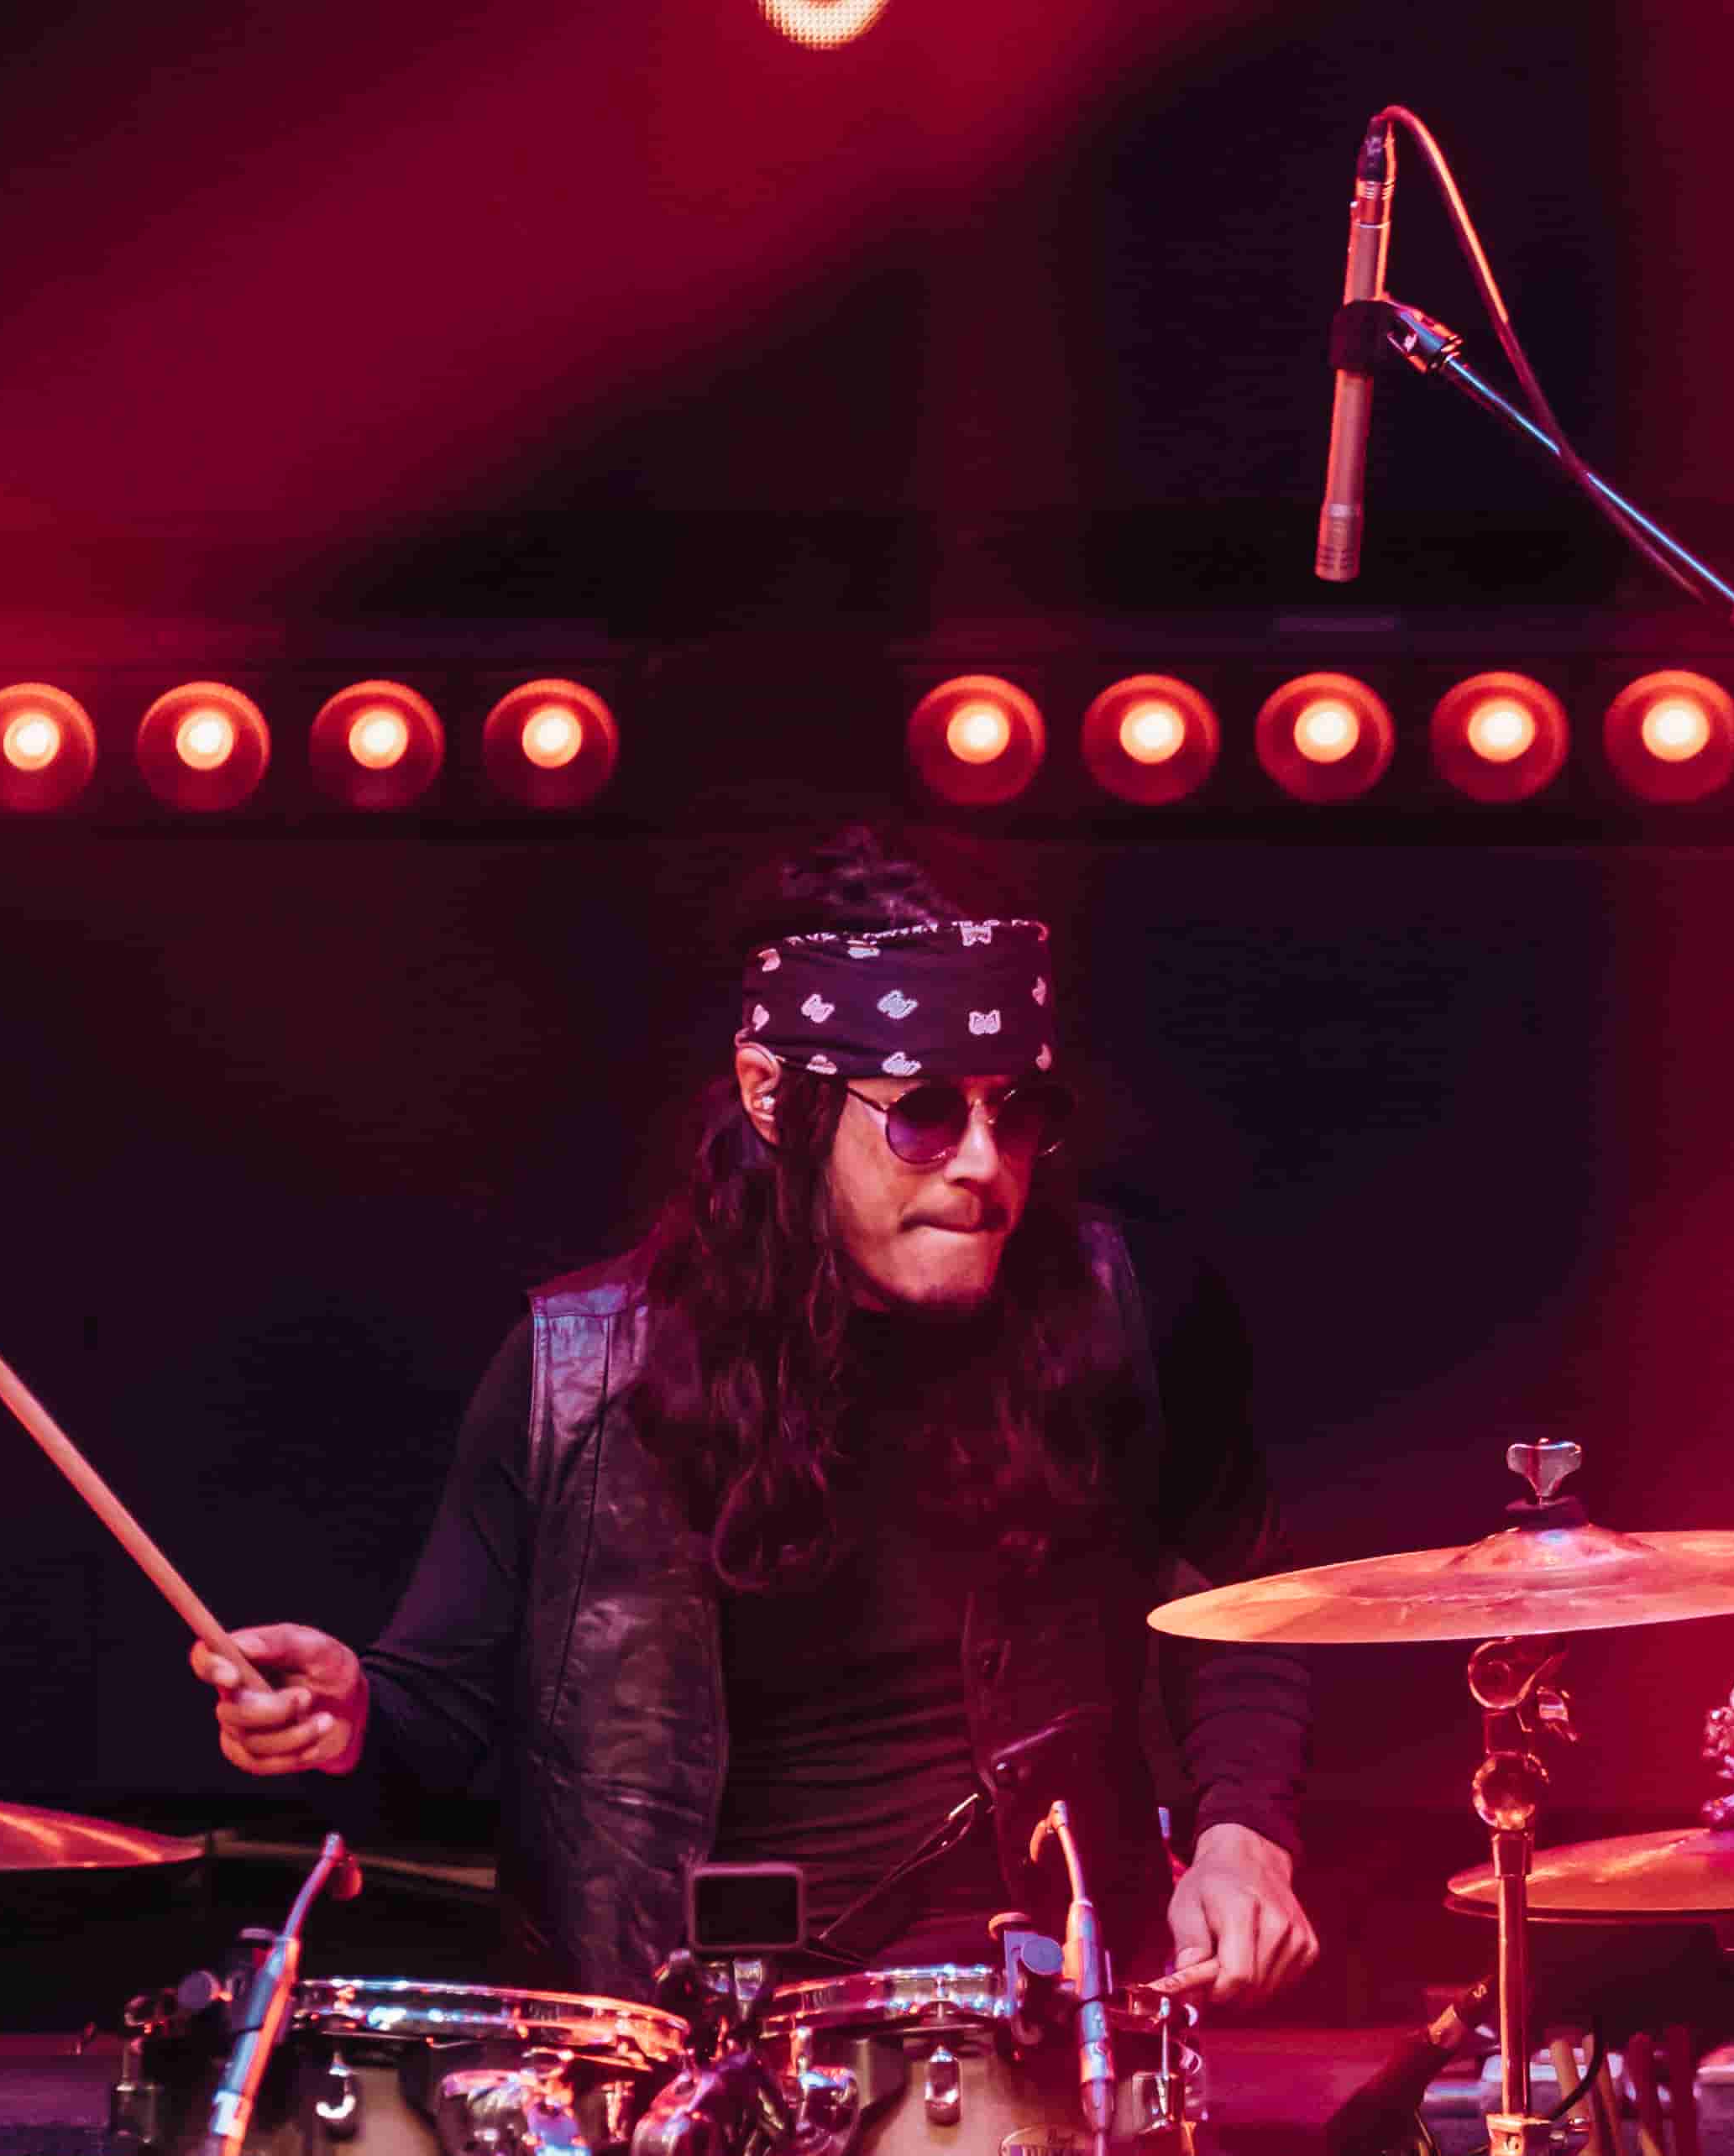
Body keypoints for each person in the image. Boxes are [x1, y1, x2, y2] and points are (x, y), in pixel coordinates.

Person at [200, 834, 1320, 2006]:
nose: (984, 1165)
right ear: (773, 1096)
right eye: (924, 1114)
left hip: (1046, 2008)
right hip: (679, 2028)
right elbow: (439, 1720)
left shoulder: (1128, 1312)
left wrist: (1244, 1831)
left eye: (1017, 1112)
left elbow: (1247, 1606)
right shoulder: (574, 1375)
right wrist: (345, 1716)